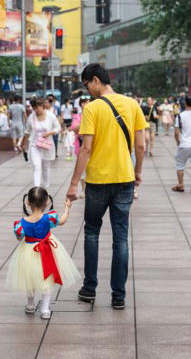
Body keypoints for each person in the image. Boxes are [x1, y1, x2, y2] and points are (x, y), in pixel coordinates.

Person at [66, 64, 147, 310]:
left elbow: (87, 148)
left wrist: (72, 184)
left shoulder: (92, 108)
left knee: (92, 232)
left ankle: (90, 289)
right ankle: (118, 295)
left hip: (98, 181)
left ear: (95, 80)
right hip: (124, 179)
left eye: (87, 84)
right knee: (120, 237)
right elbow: (141, 145)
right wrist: (138, 172)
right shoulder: (132, 104)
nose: (88, 90)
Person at [7, 187, 81, 319]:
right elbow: (62, 221)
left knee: (29, 278)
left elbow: (19, 237)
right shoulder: (49, 218)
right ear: (46, 202)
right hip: (47, 250)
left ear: (28, 202)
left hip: (28, 252)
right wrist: (67, 208)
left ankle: (30, 305)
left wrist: (20, 232)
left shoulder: (21, 223)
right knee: (47, 278)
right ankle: (45, 309)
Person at [24, 97, 60, 188]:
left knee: (45, 168)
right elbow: (27, 131)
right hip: (35, 145)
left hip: (46, 146)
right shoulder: (31, 117)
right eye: (33, 108)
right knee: (36, 166)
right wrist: (24, 145)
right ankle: (37, 188)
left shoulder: (50, 115)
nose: (35, 110)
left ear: (42, 106)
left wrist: (50, 133)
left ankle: (46, 186)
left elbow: (58, 128)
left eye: (37, 107)